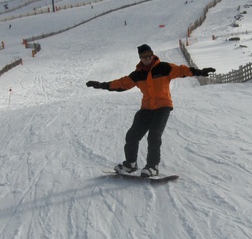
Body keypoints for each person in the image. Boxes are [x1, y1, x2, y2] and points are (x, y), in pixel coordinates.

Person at [86, 44, 215, 177]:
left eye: (149, 55)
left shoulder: (164, 68)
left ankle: (153, 166)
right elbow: (122, 83)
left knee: (154, 135)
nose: (147, 58)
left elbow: (181, 70)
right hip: (146, 108)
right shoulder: (138, 74)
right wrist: (101, 85)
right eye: (144, 56)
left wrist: (199, 72)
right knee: (132, 136)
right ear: (140, 58)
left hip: (163, 107)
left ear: (152, 54)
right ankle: (130, 164)